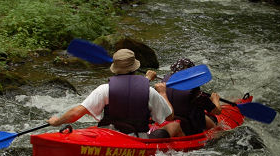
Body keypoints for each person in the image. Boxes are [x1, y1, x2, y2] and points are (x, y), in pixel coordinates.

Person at [47, 49, 182, 139]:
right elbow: (169, 116)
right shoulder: (149, 91)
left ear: (115, 69)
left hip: (107, 136)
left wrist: (57, 122)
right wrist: (163, 93)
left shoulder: (104, 89)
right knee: (175, 125)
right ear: (135, 68)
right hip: (136, 140)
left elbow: (77, 112)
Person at [160, 58, 222, 136]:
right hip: (189, 127)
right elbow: (217, 111)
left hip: (171, 119)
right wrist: (215, 99)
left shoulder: (162, 86)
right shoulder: (196, 94)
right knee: (216, 128)